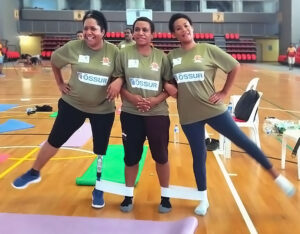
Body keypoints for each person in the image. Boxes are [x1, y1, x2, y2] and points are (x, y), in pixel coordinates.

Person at [164, 13, 296, 216]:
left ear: (192, 28)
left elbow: (234, 66)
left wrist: (224, 92)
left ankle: (276, 176)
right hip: (189, 114)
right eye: (179, 28)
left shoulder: (208, 49)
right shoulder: (171, 57)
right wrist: (170, 88)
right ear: (173, 34)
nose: (184, 29)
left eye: (187, 25)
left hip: (213, 109)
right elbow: (167, 81)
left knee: (243, 141)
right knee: (198, 156)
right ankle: (203, 199)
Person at [12, 10, 123, 210]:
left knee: (100, 150)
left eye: (93, 28)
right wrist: (60, 83)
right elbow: (54, 61)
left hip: (102, 109)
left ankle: (98, 187)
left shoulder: (113, 52)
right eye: (86, 28)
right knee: (54, 140)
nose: (89, 32)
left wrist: (117, 82)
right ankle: (34, 171)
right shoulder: (73, 47)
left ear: (103, 31)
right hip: (73, 105)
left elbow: (122, 74)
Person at [112, 17, 172, 213]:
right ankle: (128, 196)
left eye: (145, 30)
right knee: (131, 157)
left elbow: (168, 86)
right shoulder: (123, 53)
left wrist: (155, 100)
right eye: (137, 29)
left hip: (157, 114)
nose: (140, 33)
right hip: (131, 113)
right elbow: (118, 81)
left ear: (152, 34)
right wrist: (131, 98)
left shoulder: (162, 57)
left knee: (161, 157)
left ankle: (165, 197)